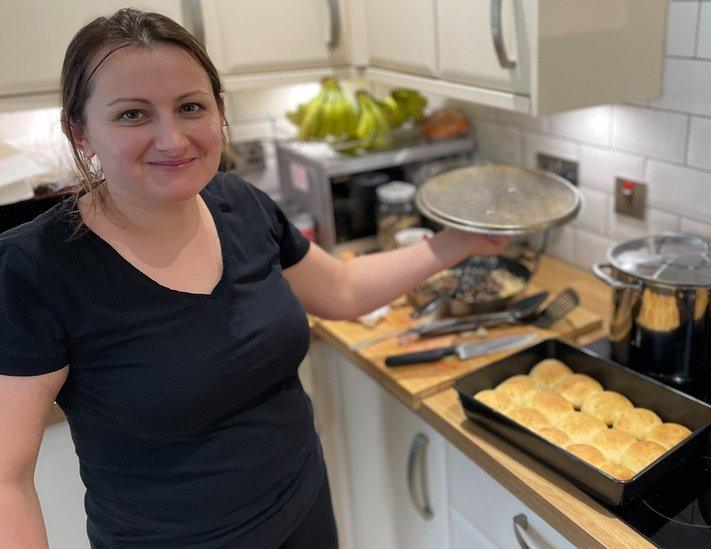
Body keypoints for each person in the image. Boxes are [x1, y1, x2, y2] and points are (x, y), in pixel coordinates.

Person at [0, 8, 506, 548]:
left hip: (304, 514)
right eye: (132, 115)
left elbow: (341, 289)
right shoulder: (36, 268)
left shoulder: (239, 203)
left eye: (190, 107)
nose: (172, 139)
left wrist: (457, 243)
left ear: (218, 111)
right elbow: (7, 478)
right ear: (81, 133)